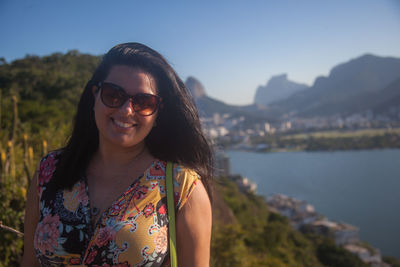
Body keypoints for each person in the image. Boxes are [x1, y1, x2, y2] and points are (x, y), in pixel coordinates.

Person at [22, 43, 213, 267]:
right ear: (95, 96)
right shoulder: (50, 170)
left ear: (158, 112)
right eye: (113, 95)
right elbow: (29, 262)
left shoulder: (182, 189)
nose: (126, 110)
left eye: (143, 102)